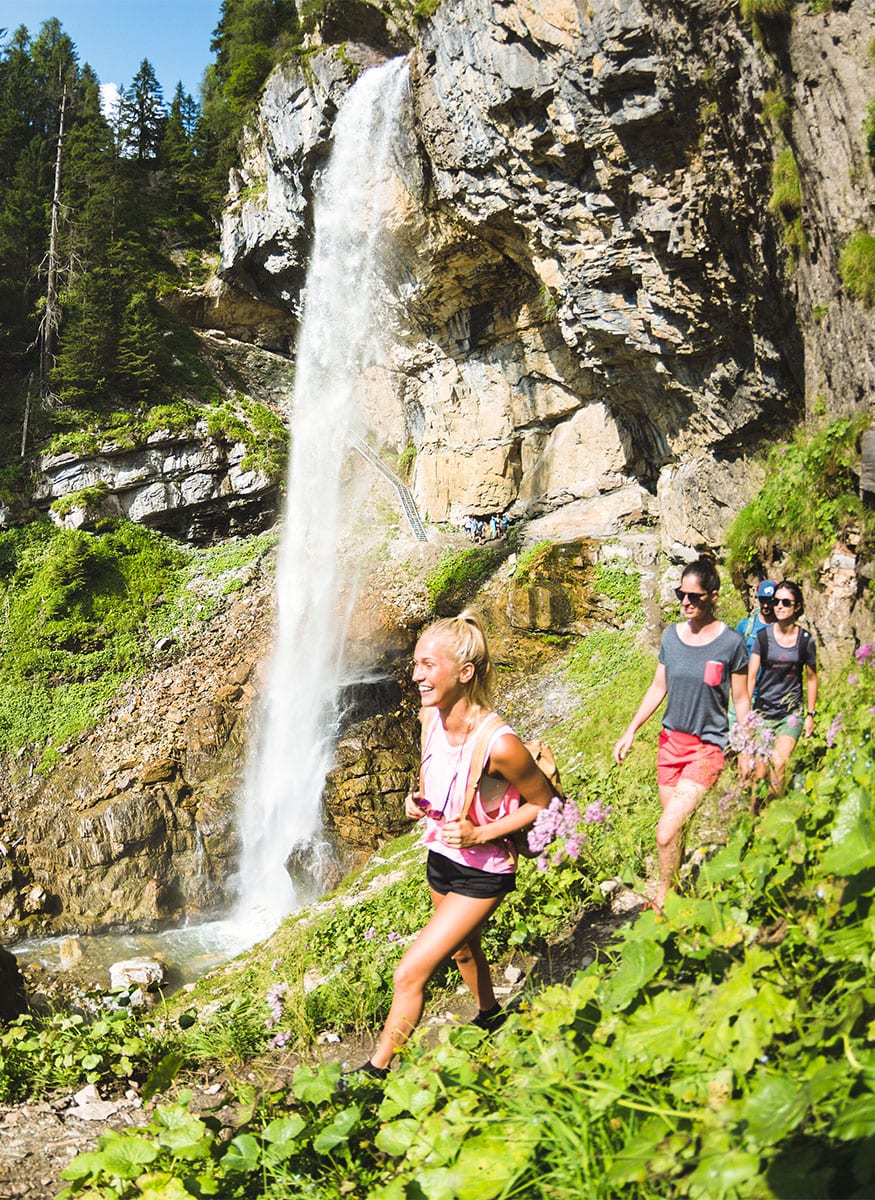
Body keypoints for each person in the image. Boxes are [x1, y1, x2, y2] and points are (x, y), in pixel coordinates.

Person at [346, 610, 554, 1082]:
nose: (416, 675)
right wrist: (416, 800)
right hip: (440, 857)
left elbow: (546, 804)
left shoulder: (501, 745)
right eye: (416, 664)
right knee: (463, 951)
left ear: (464, 674)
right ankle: (491, 1015)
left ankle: (374, 1074)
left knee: (410, 973)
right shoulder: (430, 718)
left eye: (427, 665)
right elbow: (431, 773)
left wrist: (481, 833)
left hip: (484, 872)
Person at [613, 557, 750, 911]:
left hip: (708, 748)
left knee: (664, 831)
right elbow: (658, 687)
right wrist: (631, 730)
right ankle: (674, 891)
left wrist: (748, 747)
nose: (686, 602)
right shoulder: (671, 637)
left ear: (713, 596)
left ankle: (662, 896)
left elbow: (741, 699)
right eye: (680, 594)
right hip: (670, 745)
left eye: (695, 596)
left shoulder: (732, 643)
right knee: (677, 830)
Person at [744, 580, 817, 806]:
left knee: (778, 762)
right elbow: (752, 675)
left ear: (797, 607)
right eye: (777, 601)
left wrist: (811, 716)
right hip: (764, 712)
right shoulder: (764, 637)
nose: (779, 606)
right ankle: (756, 820)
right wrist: (747, 715)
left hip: (791, 714)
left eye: (786, 602)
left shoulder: (805, 640)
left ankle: (775, 814)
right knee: (760, 773)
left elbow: (812, 677)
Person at [737, 580, 777, 652]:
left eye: (769, 600)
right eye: (762, 599)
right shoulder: (745, 626)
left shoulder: (783, 627)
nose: (765, 605)